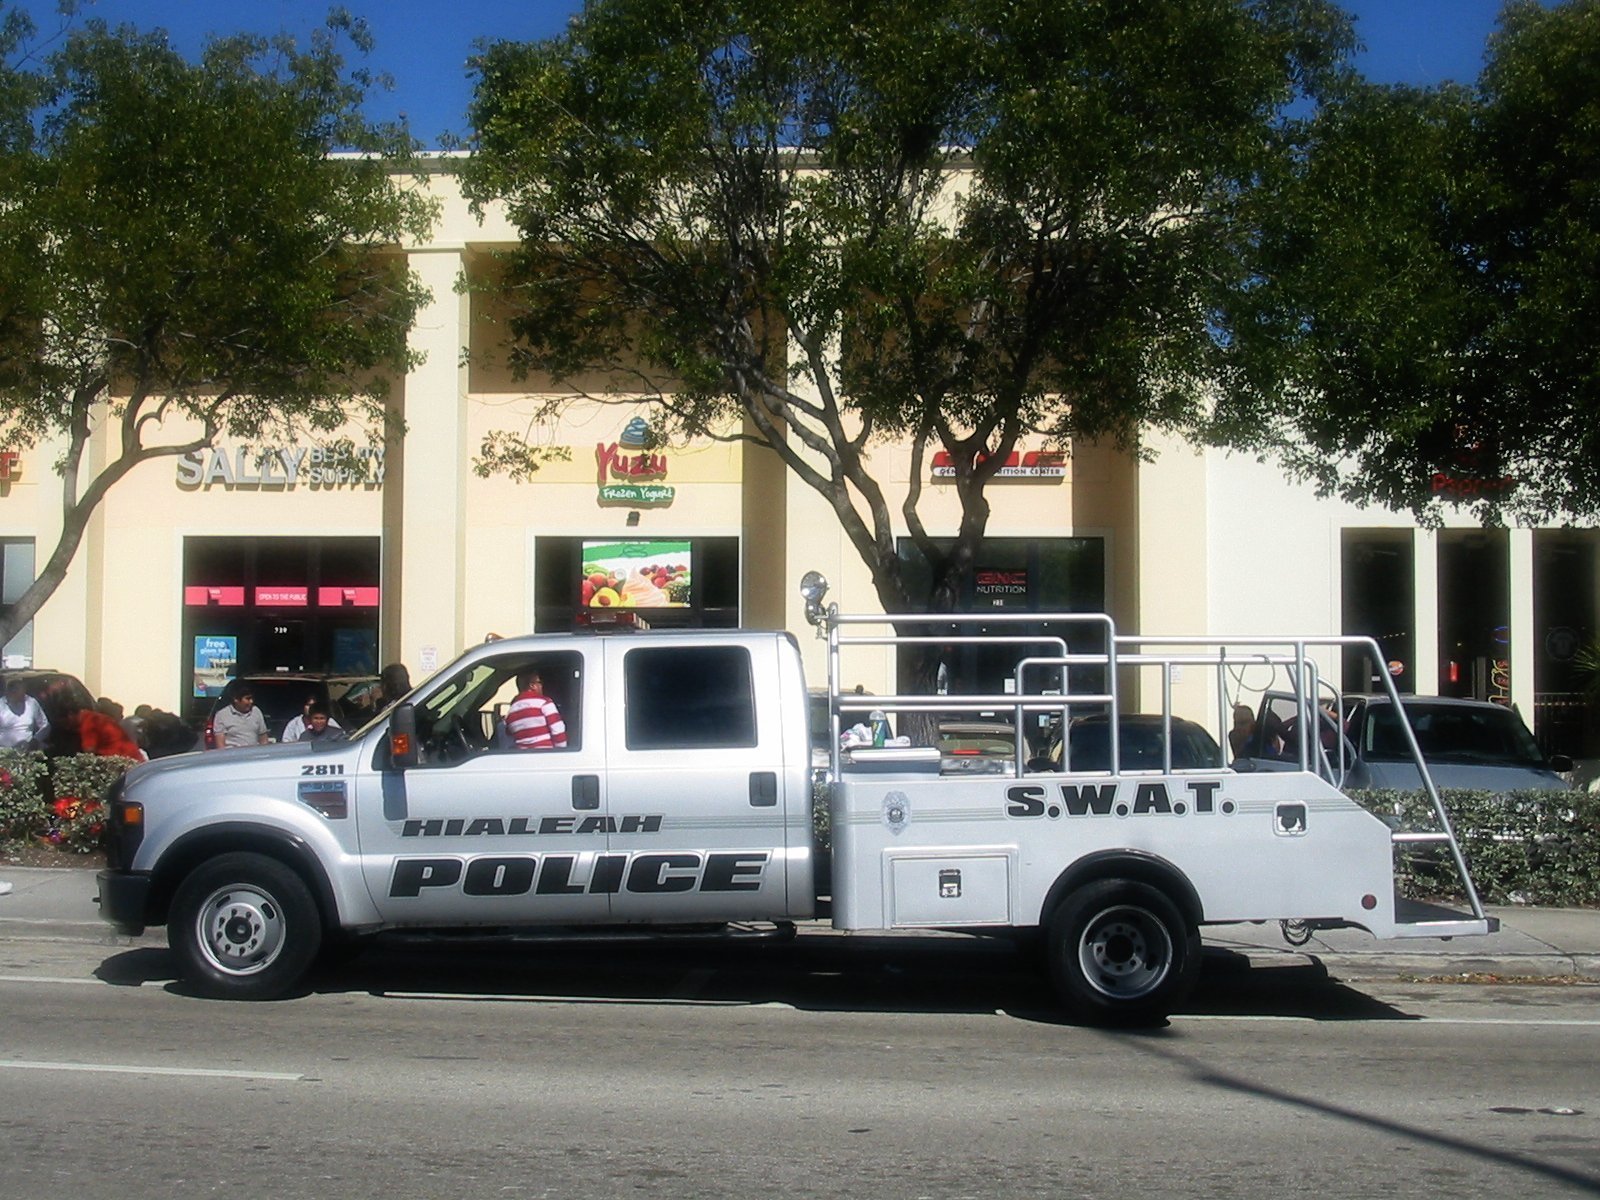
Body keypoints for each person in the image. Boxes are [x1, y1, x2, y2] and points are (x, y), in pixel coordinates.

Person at [503, 669, 566, 750]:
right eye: (540, 682)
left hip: (523, 756)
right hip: (546, 754)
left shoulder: (511, 711)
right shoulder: (544, 703)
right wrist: (560, 752)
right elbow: (558, 730)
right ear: (532, 685)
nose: (542, 686)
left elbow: (509, 738)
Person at [0, 678, 50, 750]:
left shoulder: (31, 703)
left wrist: (35, 740)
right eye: (18, 695)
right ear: (10, 693)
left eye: (23, 694)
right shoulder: (1, 705)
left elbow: (45, 726)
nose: (23, 698)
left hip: (28, 749)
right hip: (4, 751)